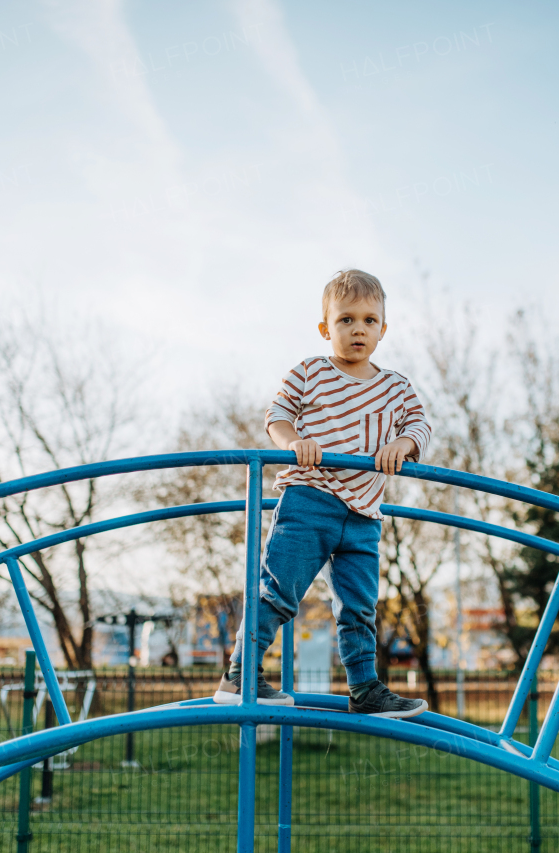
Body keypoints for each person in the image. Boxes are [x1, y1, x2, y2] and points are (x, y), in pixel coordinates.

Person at [213, 269, 431, 719]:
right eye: (346, 320)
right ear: (325, 328)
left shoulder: (395, 387)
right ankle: (240, 675)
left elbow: (418, 423)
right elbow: (277, 413)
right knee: (279, 589)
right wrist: (293, 442)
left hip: (364, 514)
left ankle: (365, 689)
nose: (358, 329)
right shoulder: (310, 372)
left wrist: (402, 444)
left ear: (383, 330)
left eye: (370, 321)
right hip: (311, 497)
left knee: (360, 606)